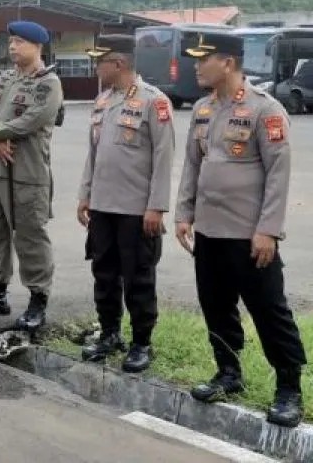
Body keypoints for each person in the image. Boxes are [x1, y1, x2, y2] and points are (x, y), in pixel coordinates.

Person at [175, 31, 304, 428]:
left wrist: (269, 229)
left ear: (227, 62)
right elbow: (193, 166)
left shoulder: (266, 110)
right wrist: (183, 212)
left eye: (203, 59)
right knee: (216, 306)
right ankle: (228, 373)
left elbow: (278, 175)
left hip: (250, 235)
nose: (197, 66)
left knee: (269, 310)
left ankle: (289, 388)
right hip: (210, 233)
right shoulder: (201, 109)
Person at [77, 34, 174, 373]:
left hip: (136, 209)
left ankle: (141, 342)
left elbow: (164, 158)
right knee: (103, 273)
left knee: (138, 279)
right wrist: (85, 194)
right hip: (103, 206)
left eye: (99, 61)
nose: (95, 67)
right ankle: (109, 334)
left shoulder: (154, 101)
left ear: (117, 64)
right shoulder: (103, 100)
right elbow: (95, 153)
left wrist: (156, 206)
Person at [0, 21, 63, 331]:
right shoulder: (6, 78)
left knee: (30, 237)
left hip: (27, 173)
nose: (12, 47)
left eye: (19, 42)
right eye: (11, 42)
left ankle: (38, 300)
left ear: (37, 46)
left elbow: (32, 121)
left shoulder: (48, 83)